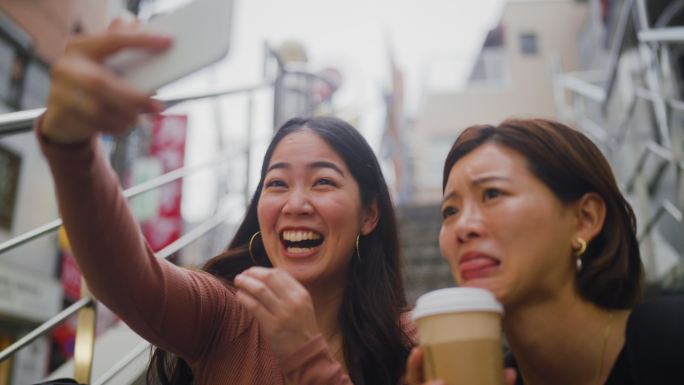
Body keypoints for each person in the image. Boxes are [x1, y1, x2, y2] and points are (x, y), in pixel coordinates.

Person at [37, 20, 414, 385]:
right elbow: (125, 274)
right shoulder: (223, 314)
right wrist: (72, 146)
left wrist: (304, 355)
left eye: (323, 182)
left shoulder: (412, 346)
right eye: (277, 183)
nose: (295, 204)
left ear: (369, 214)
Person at [407, 118, 683, 385]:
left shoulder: (670, 338)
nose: (463, 227)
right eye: (450, 211)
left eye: (492, 194)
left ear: (585, 219)